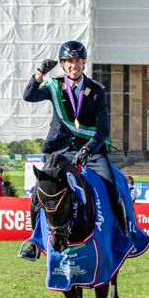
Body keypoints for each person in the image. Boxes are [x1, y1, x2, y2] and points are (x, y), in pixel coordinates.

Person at [19, 40, 129, 261]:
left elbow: (103, 129)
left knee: (111, 190)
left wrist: (88, 148)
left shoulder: (96, 91)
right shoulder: (54, 86)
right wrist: (40, 73)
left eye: (78, 61)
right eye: (69, 61)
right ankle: (34, 241)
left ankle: (123, 236)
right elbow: (28, 96)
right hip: (60, 150)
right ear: (62, 64)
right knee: (37, 192)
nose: (73, 65)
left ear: (84, 62)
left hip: (92, 152)